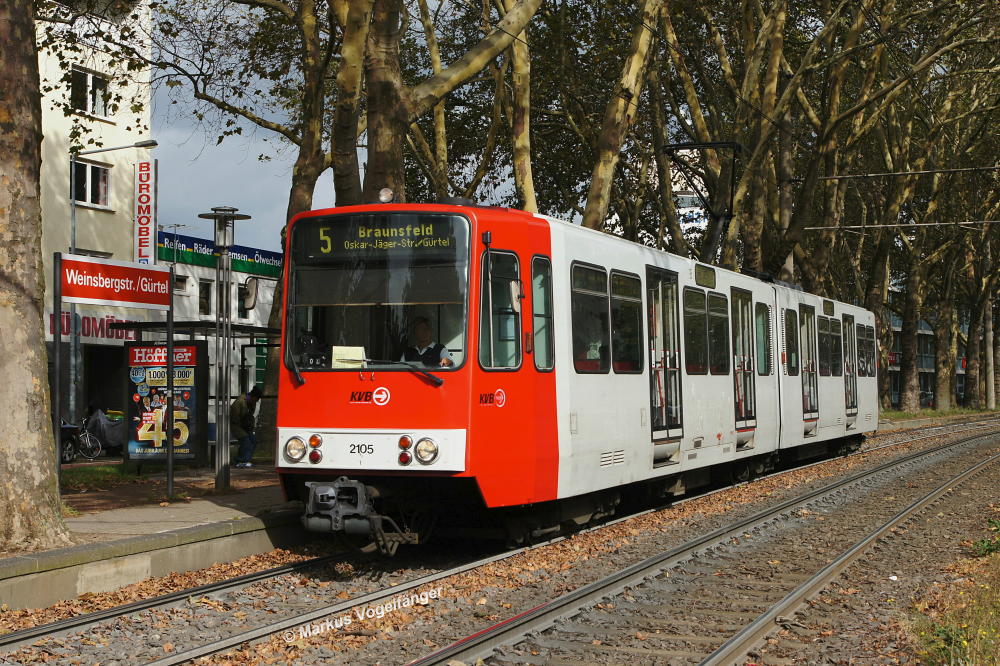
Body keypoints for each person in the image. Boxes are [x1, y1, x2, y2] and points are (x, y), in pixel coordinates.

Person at [231, 385, 262, 468]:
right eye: (256, 399)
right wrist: (243, 425)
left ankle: (246, 459)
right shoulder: (240, 401)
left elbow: (250, 415)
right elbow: (234, 417)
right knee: (246, 440)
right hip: (235, 425)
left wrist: (249, 425)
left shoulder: (253, 403)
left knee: (253, 440)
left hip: (244, 426)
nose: (256, 402)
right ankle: (240, 460)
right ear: (252, 397)